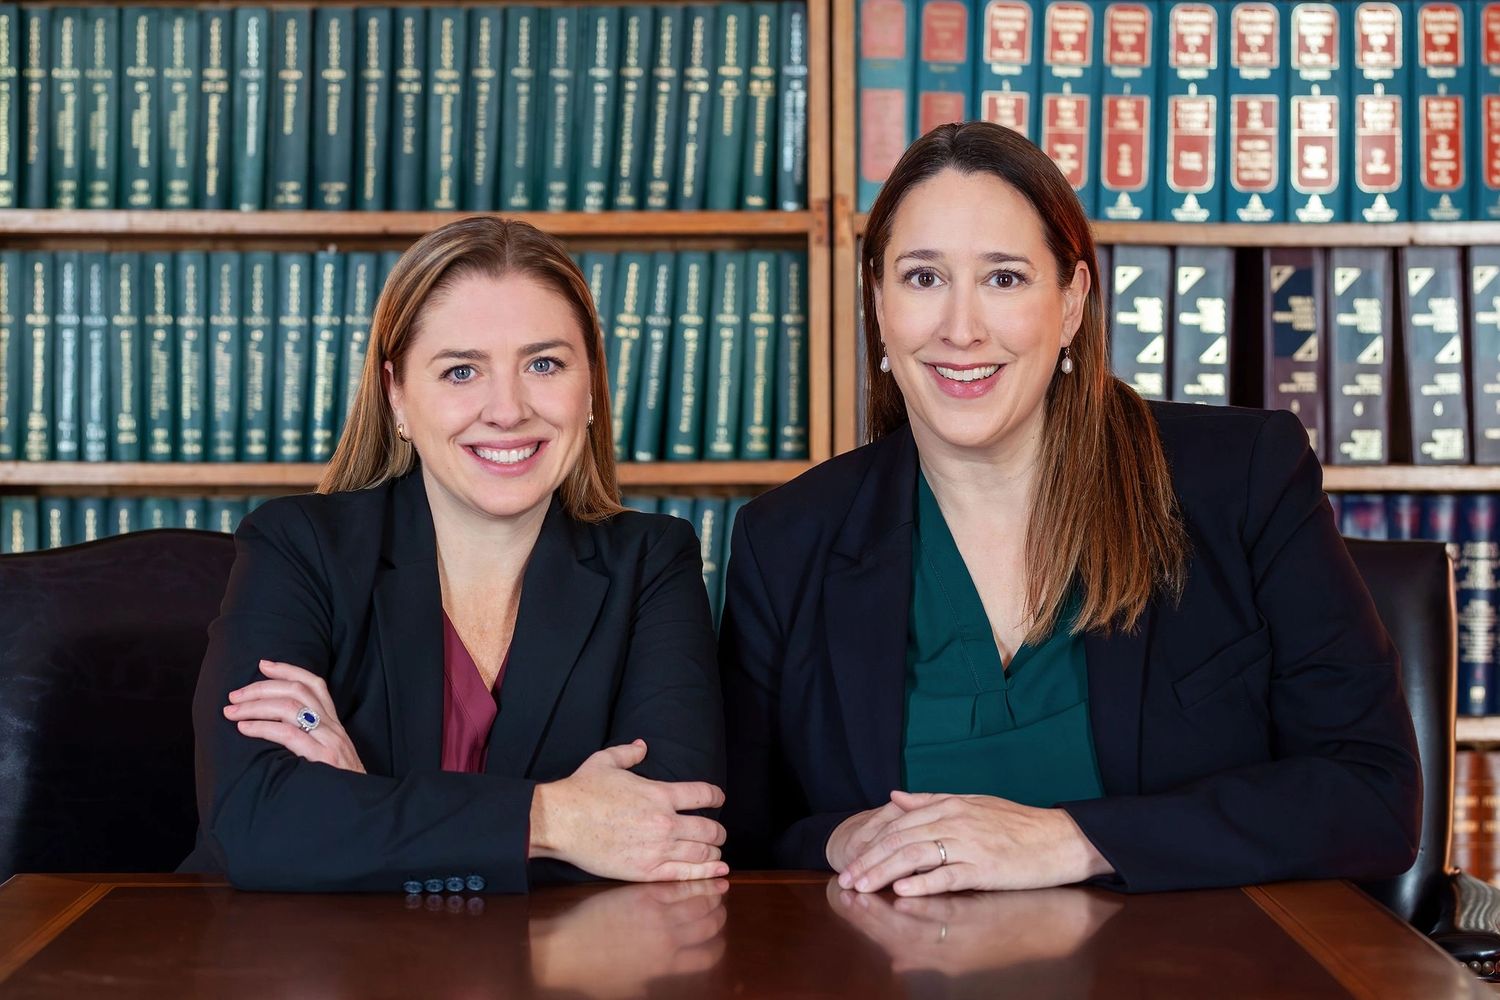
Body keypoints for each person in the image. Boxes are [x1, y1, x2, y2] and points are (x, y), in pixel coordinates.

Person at [718, 122, 1420, 895]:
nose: (961, 329)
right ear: (879, 304)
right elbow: (740, 839)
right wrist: (838, 839)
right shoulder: (785, 541)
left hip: (1190, 960)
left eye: (1004, 278)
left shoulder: (1241, 478)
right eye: (922, 278)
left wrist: (1073, 840)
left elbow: (1372, 794)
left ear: (1072, 302)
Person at [184, 217, 727, 892]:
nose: (507, 410)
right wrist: (553, 819)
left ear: (591, 386)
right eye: (461, 371)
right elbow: (257, 825)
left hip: (561, 957)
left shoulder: (651, 563)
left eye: (544, 364)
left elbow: (673, 836)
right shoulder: (299, 547)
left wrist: (365, 806)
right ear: (397, 395)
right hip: (309, 954)